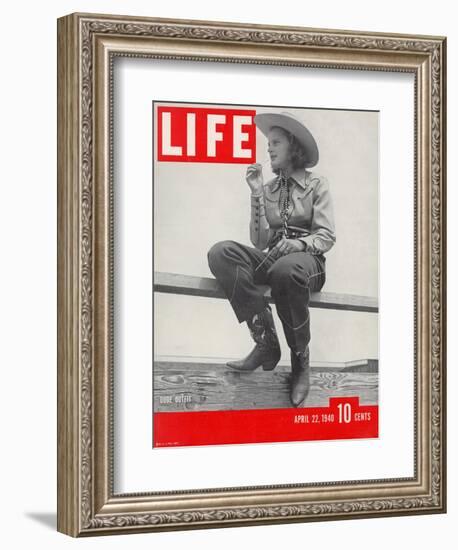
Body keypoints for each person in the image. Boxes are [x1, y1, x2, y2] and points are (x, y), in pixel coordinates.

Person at [207, 111, 336, 407]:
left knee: (285, 270)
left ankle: (300, 360)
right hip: (273, 258)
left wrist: (298, 243)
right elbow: (260, 241)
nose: (269, 149)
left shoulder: (318, 184)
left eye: (276, 143)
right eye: (268, 144)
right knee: (221, 253)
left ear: (293, 147)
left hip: (307, 262)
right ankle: (266, 341)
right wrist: (255, 195)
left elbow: (326, 237)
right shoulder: (269, 189)